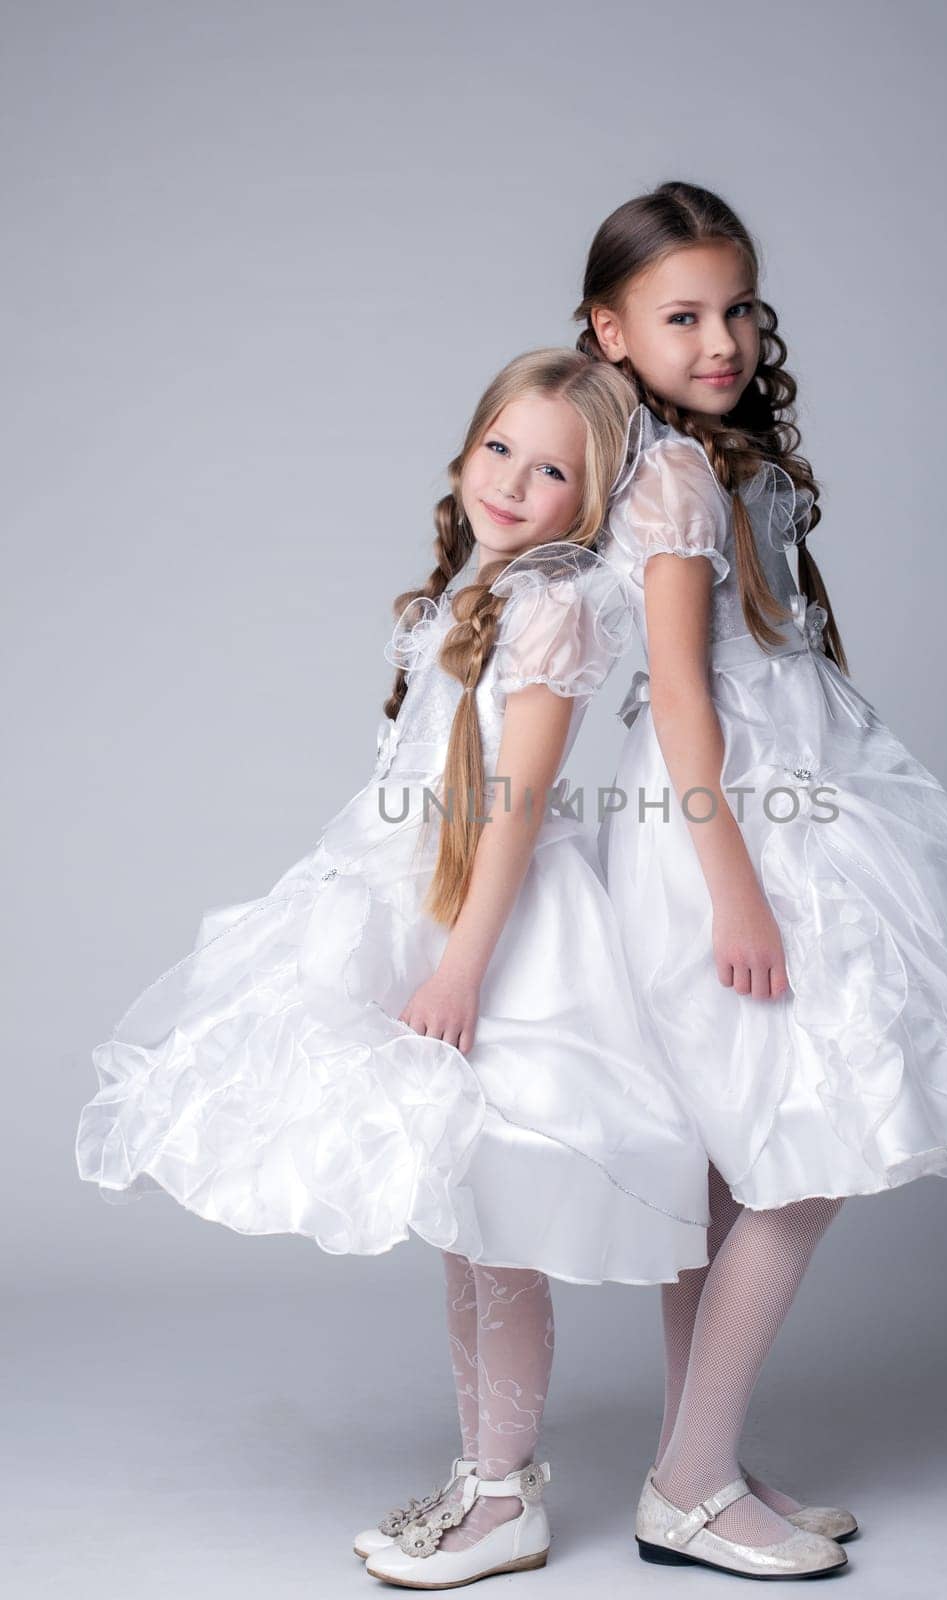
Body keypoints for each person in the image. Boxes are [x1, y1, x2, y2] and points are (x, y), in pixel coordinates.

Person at [75, 348, 728, 1590]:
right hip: (414, 908)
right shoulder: (474, 588)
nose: (517, 484)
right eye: (501, 451)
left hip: (496, 934)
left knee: (496, 1234)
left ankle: (505, 1497)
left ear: (589, 500)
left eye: (553, 472)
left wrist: (463, 969)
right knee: (456, 1222)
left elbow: (521, 812)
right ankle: (489, 1478)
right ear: (465, 448)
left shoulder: (554, 606)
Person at [575, 180, 947, 1580]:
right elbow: (685, 704)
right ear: (608, 334)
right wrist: (739, 893)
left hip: (786, 802)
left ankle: (691, 1465)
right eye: (682, 316)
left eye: (738, 308)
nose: (722, 339)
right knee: (798, 1146)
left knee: (736, 1157)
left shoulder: (715, 460)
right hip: (733, 830)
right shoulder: (669, 477)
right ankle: (691, 1483)